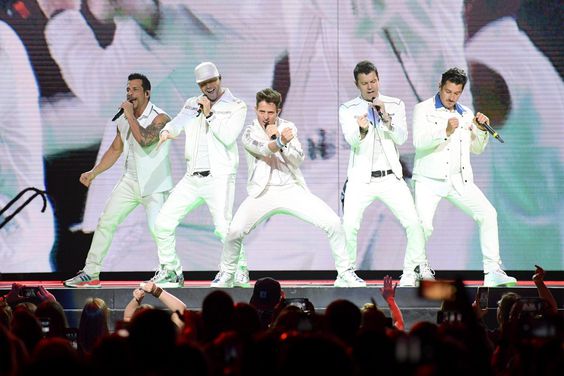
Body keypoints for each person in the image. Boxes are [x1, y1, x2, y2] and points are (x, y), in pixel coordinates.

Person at [211, 88, 365, 288]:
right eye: (262, 112)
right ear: (255, 109)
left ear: (278, 111)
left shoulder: (288, 127)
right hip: (263, 192)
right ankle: (227, 273)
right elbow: (263, 149)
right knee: (235, 230)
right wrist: (279, 140)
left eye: (270, 113)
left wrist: (283, 142)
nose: (266, 117)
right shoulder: (249, 132)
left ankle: (345, 272)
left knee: (333, 222)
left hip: (291, 188)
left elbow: (297, 159)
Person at [63, 73, 172, 288]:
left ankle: (170, 271)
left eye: (135, 89)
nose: (130, 94)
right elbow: (115, 149)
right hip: (130, 181)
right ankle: (91, 272)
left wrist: (130, 115)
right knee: (105, 221)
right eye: (128, 90)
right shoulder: (123, 119)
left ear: (147, 93)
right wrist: (94, 172)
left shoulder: (161, 117)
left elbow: (144, 140)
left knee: (158, 228)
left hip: (154, 185)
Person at [412, 67, 516, 287]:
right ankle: (419, 270)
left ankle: (492, 271)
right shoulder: (423, 109)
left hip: (459, 181)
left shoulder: (466, 114)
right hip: (429, 181)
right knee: (424, 226)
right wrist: (445, 131)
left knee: (487, 214)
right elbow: (418, 142)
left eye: (456, 93)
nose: (451, 97)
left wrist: (480, 130)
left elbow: (476, 149)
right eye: (448, 91)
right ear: (440, 87)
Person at [153, 62, 248, 287]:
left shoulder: (236, 106)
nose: (208, 87)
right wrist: (167, 131)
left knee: (223, 227)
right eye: (203, 84)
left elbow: (228, 136)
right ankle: (171, 271)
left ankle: (237, 269)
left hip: (219, 176)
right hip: (192, 177)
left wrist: (209, 113)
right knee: (163, 222)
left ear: (220, 78)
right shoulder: (191, 103)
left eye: (211, 81)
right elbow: (179, 122)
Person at [339, 60, 433, 286]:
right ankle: (345, 274)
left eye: (373, 81)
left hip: (391, 177)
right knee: (350, 226)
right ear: (357, 84)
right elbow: (349, 139)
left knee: (413, 223)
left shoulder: (395, 104)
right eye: (365, 83)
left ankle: (411, 271)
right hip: (361, 179)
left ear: (378, 79)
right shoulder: (347, 109)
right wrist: (361, 129)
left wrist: (386, 118)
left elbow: (401, 137)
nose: (370, 87)